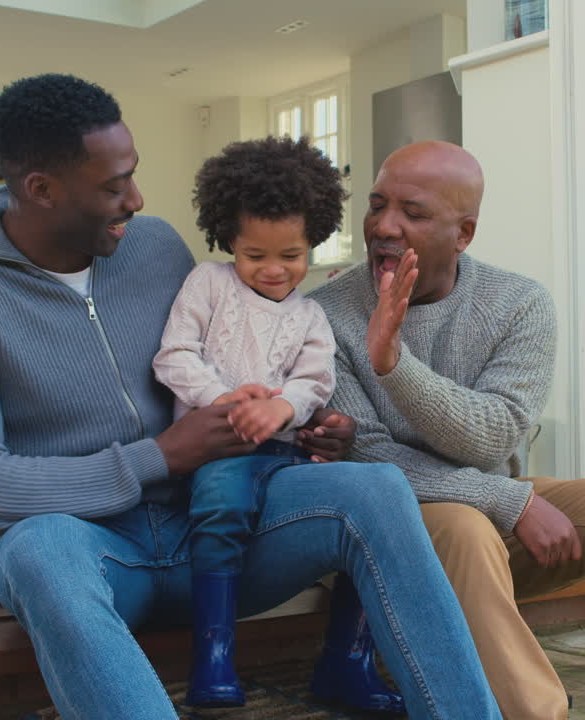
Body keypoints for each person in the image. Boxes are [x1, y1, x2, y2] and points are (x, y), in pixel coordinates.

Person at [0, 75, 501, 720]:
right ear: (41, 189)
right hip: (95, 553)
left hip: (222, 527)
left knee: (375, 489)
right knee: (34, 551)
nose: (137, 198)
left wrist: (310, 421)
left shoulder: (152, 247)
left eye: (132, 174)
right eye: (112, 185)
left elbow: (233, 354)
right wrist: (157, 457)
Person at [308, 140, 585, 720]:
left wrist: (395, 366)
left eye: (412, 213)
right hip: (397, 532)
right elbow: (364, 457)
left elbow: (495, 436)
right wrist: (506, 499)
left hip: (496, 512)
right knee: (464, 528)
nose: (384, 226)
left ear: (463, 233)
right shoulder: (325, 313)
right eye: (376, 204)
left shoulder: (517, 304)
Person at [152, 135, 402, 711]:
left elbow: (314, 382)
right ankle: (212, 658)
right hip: (217, 450)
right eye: (253, 255)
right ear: (226, 242)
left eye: (290, 255)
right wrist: (227, 400)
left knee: (360, 507)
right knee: (221, 507)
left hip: (284, 455)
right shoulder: (208, 284)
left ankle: (350, 658)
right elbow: (174, 356)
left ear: (312, 243)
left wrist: (282, 409)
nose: (272, 270)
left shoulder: (311, 314)